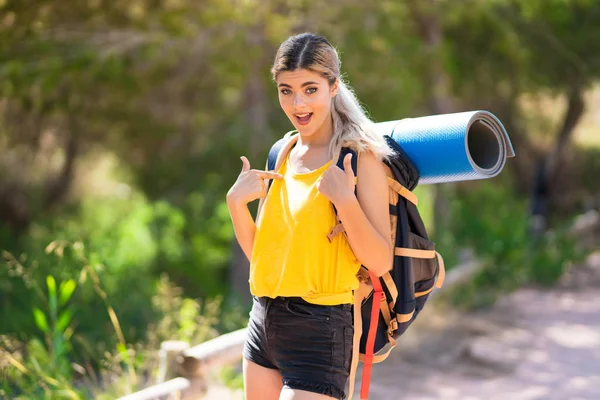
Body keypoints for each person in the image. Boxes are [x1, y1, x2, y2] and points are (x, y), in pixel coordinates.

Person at [226, 32, 394, 400]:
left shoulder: (358, 158)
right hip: (263, 323)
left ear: (333, 87)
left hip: (321, 331)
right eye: (286, 90)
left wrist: (346, 202)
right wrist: (236, 206)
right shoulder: (281, 153)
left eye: (310, 89)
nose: (297, 103)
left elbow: (380, 260)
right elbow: (265, 259)